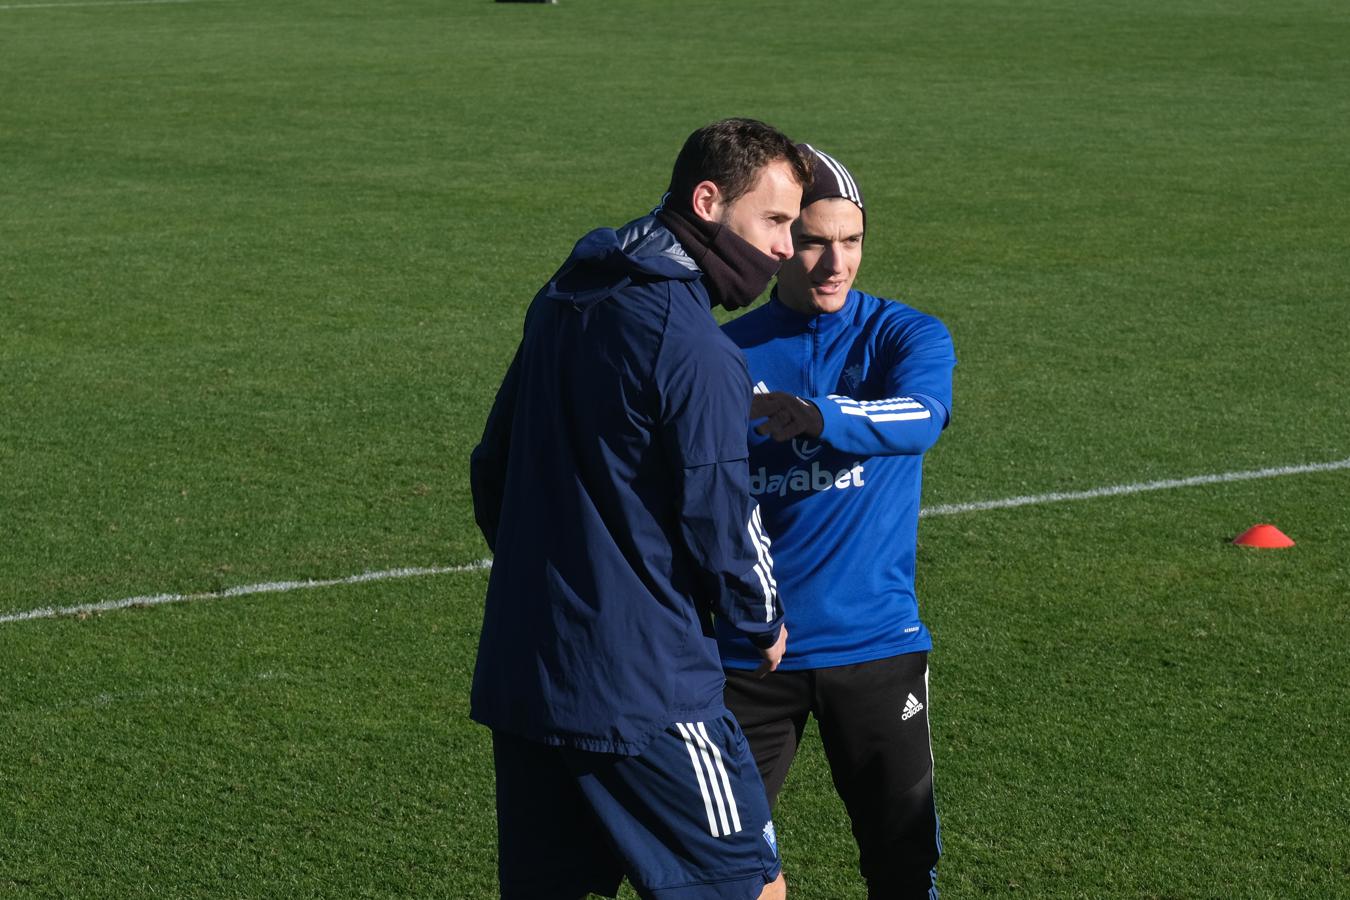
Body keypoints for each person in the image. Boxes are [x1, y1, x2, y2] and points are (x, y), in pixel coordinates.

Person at [469, 119, 813, 900]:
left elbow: (493, 466)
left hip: (528, 676)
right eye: (775, 221)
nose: (786, 249)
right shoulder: (693, 346)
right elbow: (723, 515)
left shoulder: (567, 294)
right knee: (750, 888)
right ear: (707, 200)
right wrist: (760, 622)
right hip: (645, 690)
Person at [716, 144, 956, 899]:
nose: (834, 263)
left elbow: (920, 417)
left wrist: (822, 417)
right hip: (752, 659)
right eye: (815, 241)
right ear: (782, 241)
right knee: (729, 873)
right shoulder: (725, 351)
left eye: (851, 242)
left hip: (876, 646)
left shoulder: (905, 335)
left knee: (902, 866)